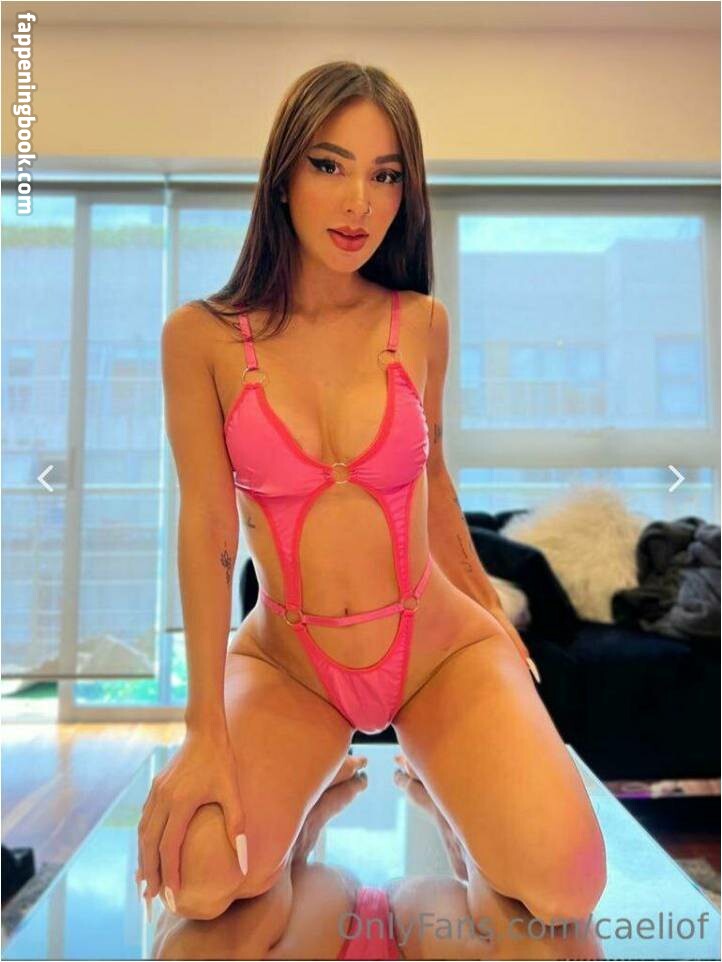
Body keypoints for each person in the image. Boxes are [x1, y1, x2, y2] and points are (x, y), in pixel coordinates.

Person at [136, 60, 606, 928]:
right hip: (292, 662)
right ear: (283, 175)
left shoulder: (418, 322)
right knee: (200, 882)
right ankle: (314, 837)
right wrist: (202, 730)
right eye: (330, 165)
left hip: (433, 648)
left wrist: (490, 615)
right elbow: (207, 531)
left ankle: (439, 836)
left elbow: (433, 476)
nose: (360, 202)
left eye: (386, 175)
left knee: (566, 889)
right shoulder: (199, 338)